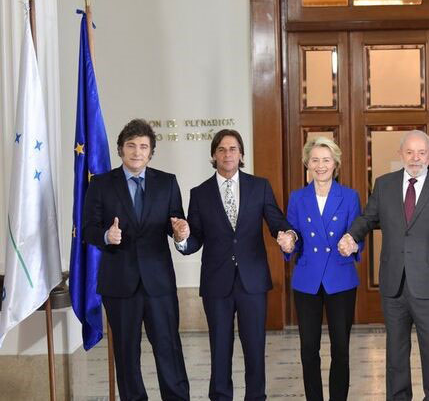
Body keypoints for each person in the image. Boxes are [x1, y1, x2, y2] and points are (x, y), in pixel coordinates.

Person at [338, 130, 429, 401]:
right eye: (410, 152)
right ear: (400, 154)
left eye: (421, 152)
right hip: (394, 283)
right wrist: (352, 236)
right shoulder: (384, 184)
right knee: (396, 351)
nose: (415, 158)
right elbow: (368, 218)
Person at [175, 129, 296, 401]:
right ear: (213, 155)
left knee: (254, 346)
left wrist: (287, 235)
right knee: (220, 347)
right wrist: (182, 238)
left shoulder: (259, 186)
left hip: (252, 280)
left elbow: (276, 221)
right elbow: (194, 240)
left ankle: (256, 397)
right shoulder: (200, 193)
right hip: (216, 283)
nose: (227, 154)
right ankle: (220, 396)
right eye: (222, 149)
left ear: (241, 154)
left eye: (233, 149)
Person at [82, 118, 190, 400]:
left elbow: (175, 222)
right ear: (120, 150)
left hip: (159, 284)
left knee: (169, 348)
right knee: (127, 354)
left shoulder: (167, 182)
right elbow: (88, 229)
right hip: (119, 284)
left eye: (144, 146)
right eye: (131, 146)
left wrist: (180, 232)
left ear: (151, 152)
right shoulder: (102, 184)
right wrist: (106, 236)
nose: (137, 152)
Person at [283, 137, 362, 401]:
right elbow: (293, 233)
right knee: (309, 349)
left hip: (340, 279)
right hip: (307, 280)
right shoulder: (297, 197)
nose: (320, 165)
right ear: (307, 163)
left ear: (335, 164)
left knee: (340, 347)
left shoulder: (349, 196)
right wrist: (289, 240)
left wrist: (352, 244)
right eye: (315, 160)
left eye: (326, 160)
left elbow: (356, 233)